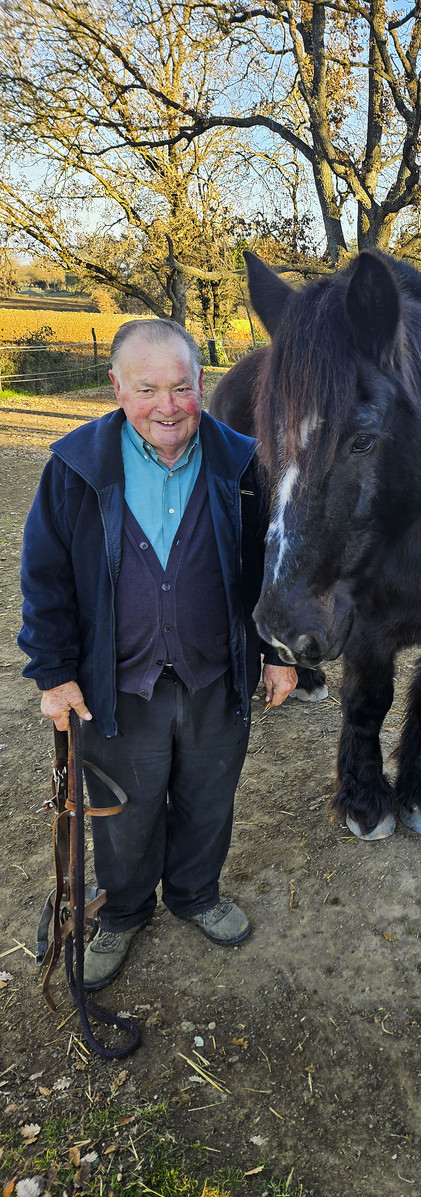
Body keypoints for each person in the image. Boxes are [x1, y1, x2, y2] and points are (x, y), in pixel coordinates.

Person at [19, 319, 297, 992]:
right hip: (116, 684)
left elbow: (273, 567)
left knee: (209, 798)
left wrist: (280, 654)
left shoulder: (243, 463)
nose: (167, 406)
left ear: (202, 382)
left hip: (215, 674)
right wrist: (54, 674)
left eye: (182, 386)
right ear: (116, 387)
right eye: (147, 389)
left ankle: (197, 894)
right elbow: (45, 576)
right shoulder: (76, 467)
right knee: (125, 810)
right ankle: (124, 909)